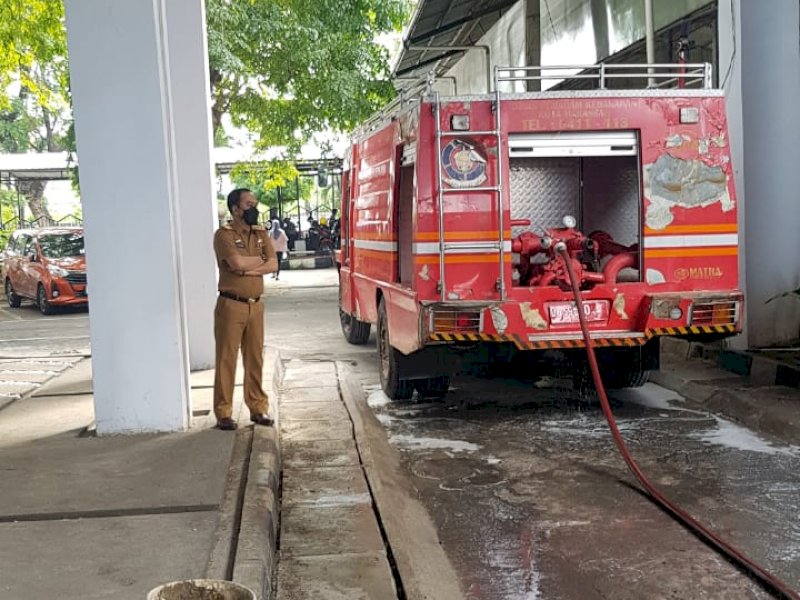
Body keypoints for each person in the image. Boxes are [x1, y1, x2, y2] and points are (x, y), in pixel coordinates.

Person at [212, 188, 278, 430]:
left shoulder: (260, 233)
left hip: (256, 305)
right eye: (249, 204)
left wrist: (246, 269)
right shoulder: (223, 235)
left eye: (255, 203)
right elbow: (236, 262)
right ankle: (224, 413)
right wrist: (255, 263)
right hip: (231, 304)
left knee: (255, 359)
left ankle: (258, 408)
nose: (254, 208)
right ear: (236, 209)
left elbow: (273, 263)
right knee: (226, 359)